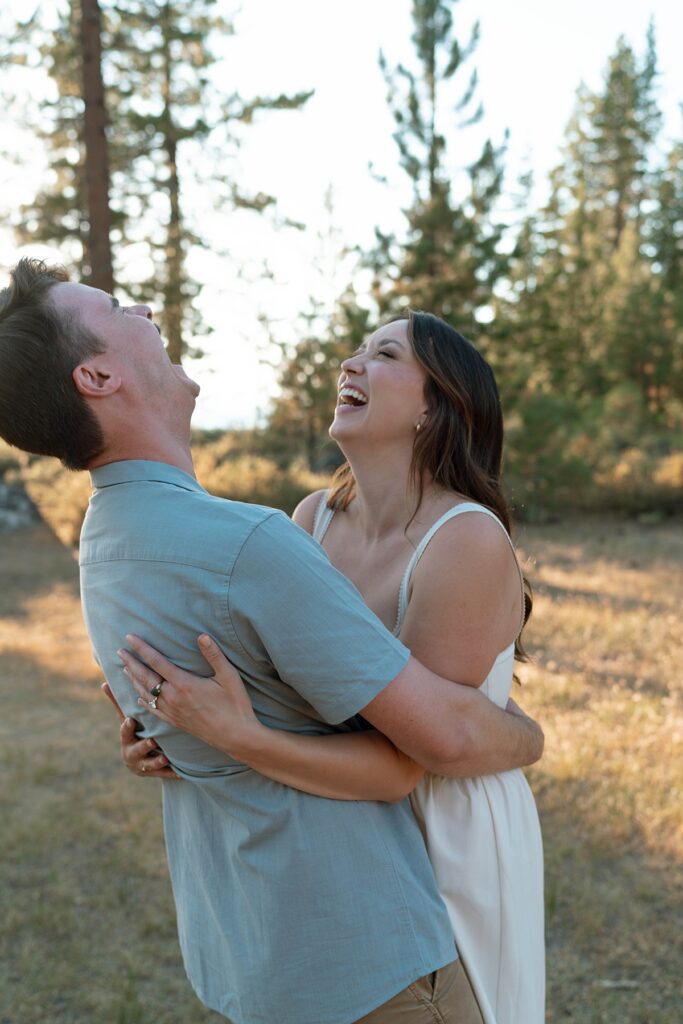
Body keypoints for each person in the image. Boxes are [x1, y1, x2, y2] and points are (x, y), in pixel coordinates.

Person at [0, 259, 543, 1024]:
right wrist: (528, 735)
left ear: (436, 406)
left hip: (437, 839)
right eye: (119, 307)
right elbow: (413, 751)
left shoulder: (111, 536)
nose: (146, 308)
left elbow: (294, 697)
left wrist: (209, 737)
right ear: (95, 377)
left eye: (385, 353)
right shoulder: (283, 531)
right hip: (361, 896)